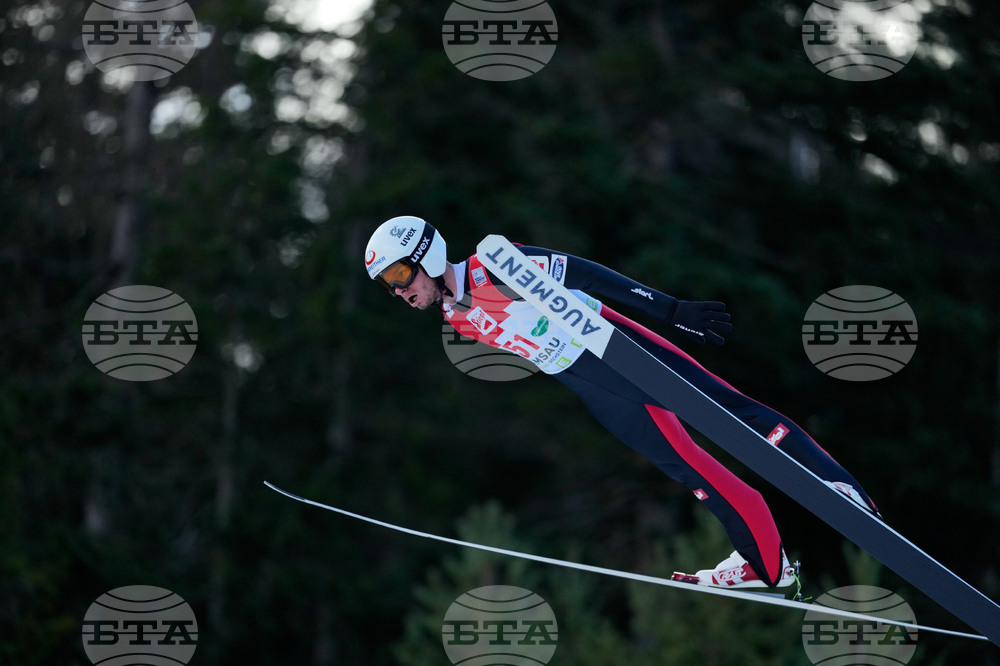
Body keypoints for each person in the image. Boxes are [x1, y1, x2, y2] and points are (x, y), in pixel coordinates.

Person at [364, 215, 880, 589]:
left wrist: (671, 308)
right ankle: (765, 562)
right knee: (687, 468)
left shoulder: (491, 265)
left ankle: (838, 485)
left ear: (426, 255)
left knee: (728, 411)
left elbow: (586, 275)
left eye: (399, 276)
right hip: (588, 383)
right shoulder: (456, 316)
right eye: (388, 286)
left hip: (613, 345)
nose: (398, 291)